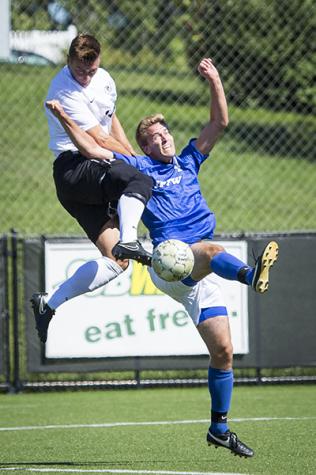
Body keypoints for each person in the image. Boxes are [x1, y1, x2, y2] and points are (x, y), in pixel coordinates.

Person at [36, 58, 279, 458]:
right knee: (213, 250)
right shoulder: (138, 166)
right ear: (144, 146)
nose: (164, 138)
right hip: (173, 262)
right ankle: (251, 275)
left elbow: (219, 124)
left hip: (200, 271)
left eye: (165, 132)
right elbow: (93, 147)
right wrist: (64, 116)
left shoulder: (189, 161)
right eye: (155, 136)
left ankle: (219, 427)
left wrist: (216, 79)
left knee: (223, 352)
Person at [31, 34, 155, 343]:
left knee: (117, 261)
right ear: (69, 61)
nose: (86, 77)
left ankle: (49, 304)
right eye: (80, 70)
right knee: (140, 182)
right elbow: (97, 140)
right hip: (74, 170)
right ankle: (131, 239)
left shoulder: (105, 80)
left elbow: (112, 124)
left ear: (98, 61)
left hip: (84, 184)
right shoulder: (63, 90)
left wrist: (135, 158)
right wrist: (137, 166)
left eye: (91, 70)